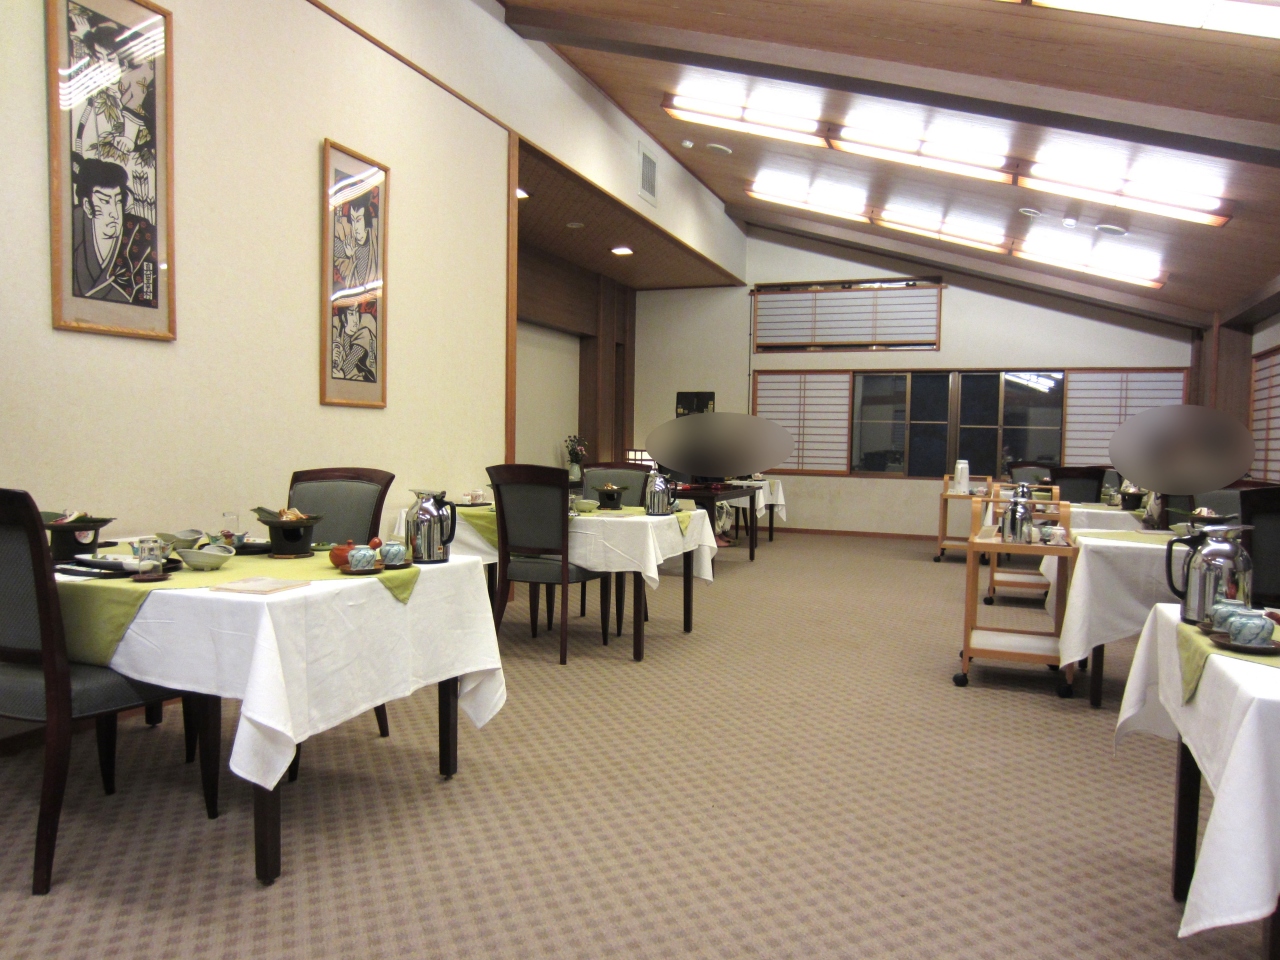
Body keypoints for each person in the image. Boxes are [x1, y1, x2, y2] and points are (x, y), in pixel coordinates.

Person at [71, 157, 148, 303]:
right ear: (87, 206)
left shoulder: (140, 233)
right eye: (105, 201)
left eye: (118, 201)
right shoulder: (74, 227)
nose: (115, 213)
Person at [333, 191, 379, 291]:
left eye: (358, 220)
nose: (355, 226)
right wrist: (346, 255)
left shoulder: (375, 238)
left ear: (366, 219)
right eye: (353, 220)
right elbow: (333, 247)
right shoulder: (349, 241)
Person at [331, 303, 377, 382]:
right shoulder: (336, 328)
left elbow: (355, 356)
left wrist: (342, 372)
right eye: (351, 314)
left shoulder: (365, 330)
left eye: (357, 312)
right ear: (343, 317)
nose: (356, 319)